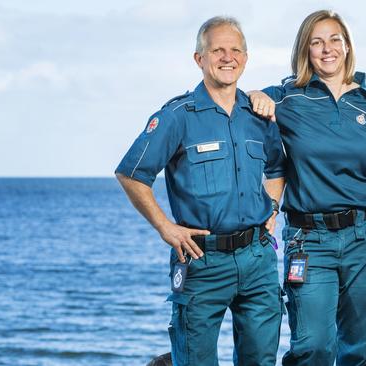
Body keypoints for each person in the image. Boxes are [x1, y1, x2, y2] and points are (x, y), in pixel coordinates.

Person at [116, 16, 286, 366]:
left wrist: (272, 207)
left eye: (235, 49)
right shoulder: (177, 115)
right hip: (202, 260)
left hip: (258, 260)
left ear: (246, 57)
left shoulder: (257, 113)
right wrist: (166, 228)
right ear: (200, 59)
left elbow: (277, 166)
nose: (228, 57)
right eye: (217, 50)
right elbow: (132, 173)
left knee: (261, 361)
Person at [248, 10, 366, 366]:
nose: (327, 49)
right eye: (316, 42)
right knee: (312, 346)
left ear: (347, 46)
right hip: (310, 241)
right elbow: (248, 99)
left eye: (335, 39)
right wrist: (256, 94)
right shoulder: (288, 97)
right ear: (305, 50)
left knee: (363, 349)